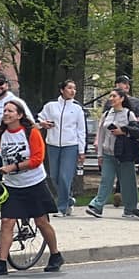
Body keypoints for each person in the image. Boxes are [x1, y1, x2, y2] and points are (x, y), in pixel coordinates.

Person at [0, 101, 63, 274]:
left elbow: (37, 160)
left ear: (20, 115)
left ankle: (55, 254)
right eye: (5, 111)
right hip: (12, 186)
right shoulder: (1, 134)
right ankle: (1, 262)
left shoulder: (31, 132)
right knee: (7, 221)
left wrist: (12, 167)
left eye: (10, 111)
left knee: (41, 221)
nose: (6, 113)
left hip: (34, 183)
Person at [85, 89, 139, 219]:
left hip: (124, 154)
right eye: (110, 96)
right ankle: (97, 206)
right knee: (106, 180)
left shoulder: (129, 114)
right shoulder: (106, 114)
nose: (111, 98)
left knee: (128, 182)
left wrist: (122, 131)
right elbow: (101, 134)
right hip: (108, 154)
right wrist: (99, 154)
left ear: (122, 98)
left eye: (114, 96)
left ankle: (130, 209)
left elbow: (136, 131)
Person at [37, 79, 85, 217]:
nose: (72, 91)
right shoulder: (51, 106)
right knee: (54, 176)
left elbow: (81, 130)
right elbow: (39, 119)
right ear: (62, 90)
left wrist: (81, 150)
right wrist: (43, 124)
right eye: (69, 88)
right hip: (53, 144)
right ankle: (69, 200)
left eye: (74, 88)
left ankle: (62, 207)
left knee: (65, 176)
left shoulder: (77, 108)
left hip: (70, 145)